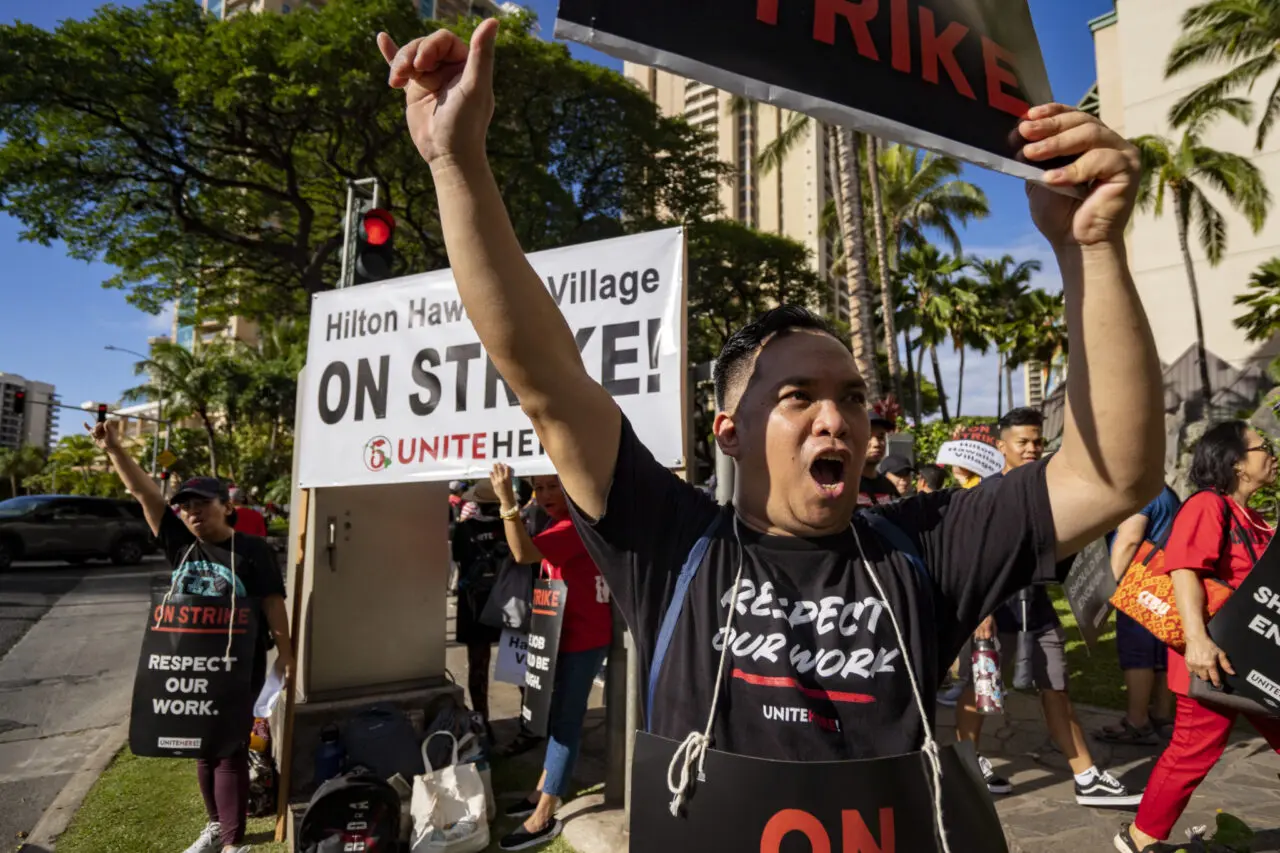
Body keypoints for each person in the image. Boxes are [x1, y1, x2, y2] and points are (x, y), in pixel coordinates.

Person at [378, 13, 1161, 801]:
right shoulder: (671, 544)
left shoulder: (927, 548)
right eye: (800, 397)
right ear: (732, 432)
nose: (838, 419)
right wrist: (455, 162)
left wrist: (1090, 246)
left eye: (853, 397)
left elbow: (1112, 477)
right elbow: (543, 378)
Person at [89, 420, 292, 853]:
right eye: (185, 507)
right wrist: (115, 451)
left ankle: (233, 842)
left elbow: (273, 603)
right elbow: (146, 493)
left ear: (226, 506)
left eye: (202, 504)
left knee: (231, 746)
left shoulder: (253, 550)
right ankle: (216, 827)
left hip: (240, 665)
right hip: (189, 664)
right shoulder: (181, 545)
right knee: (201, 747)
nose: (192, 512)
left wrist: (286, 655)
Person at [953, 408, 1140, 805]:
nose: (1032, 448)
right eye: (1022, 441)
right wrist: (980, 613)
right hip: (995, 609)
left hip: (1037, 608)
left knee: (1056, 687)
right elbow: (971, 560)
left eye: (1037, 440)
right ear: (1001, 446)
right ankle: (967, 763)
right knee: (981, 687)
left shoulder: (1049, 492)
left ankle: (1086, 776)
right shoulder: (985, 495)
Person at [1119, 422, 1280, 853]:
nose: (1273, 453)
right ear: (1236, 462)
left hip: (1256, 658)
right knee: (1192, 751)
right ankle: (1139, 839)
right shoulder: (1207, 506)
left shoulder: (1258, 519)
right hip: (1213, 658)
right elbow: (1185, 569)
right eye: (1264, 446)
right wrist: (1196, 640)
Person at [489, 464, 612, 850]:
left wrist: (507, 501)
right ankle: (540, 790)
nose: (544, 495)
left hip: (582, 639)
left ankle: (544, 814)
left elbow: (522, 552)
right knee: (556, 715)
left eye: (552, 486)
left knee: (564, 723)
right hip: (561, 635)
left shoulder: (572, 526)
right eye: (538, 487)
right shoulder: (561, 522)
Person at [1099, 485, 1181, 744]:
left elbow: (1129, 540)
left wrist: (1107, 589)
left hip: (1138, 584)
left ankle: (1137, 722)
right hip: (1164, 585)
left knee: (1137, 654)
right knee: (1160, 654)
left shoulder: (1142, 494)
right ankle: (1161, 714)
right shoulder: (1167, 493)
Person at [450, 480, 509, 730]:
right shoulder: (510, 526)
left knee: (478, 665)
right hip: (508, 601)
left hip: (475, 604)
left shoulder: (463, 530)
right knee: (518, 663)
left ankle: (482, 720)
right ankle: (530, 720)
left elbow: (458, 558)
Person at [859, 412, 900, 506]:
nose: (876, 444)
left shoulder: (889, 487)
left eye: (881, 437)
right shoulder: (843, 485)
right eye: (868, 436)